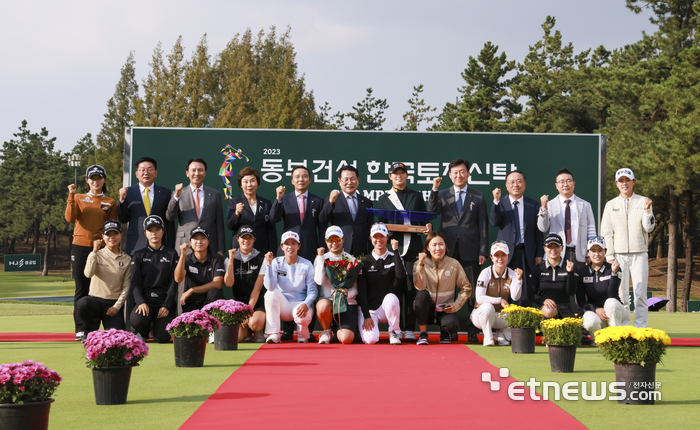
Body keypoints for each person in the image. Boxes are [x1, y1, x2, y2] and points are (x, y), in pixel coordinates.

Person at [429, 158, 488, 342]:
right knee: (448, 291)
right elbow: (432, 211)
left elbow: (483, 226)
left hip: (471, 250)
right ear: (450, 175)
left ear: (468, 173)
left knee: (470, 291)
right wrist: (434, 190)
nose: (459, 175)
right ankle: (448, 330)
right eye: (455, 172)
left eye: (462, 172)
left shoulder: (478, 196)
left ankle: (473, 330)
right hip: (447, 250)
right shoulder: (443, 194)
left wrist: (483, 250)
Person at [375, 162, 432, 340]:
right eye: (395, 174)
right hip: (394, 248)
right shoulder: (384, 198)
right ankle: (395, 328)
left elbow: (423, 220)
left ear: (407, 175)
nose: (399, 176)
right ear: (390, 177)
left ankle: (409, 328)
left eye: (402, 173)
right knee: (395, 288)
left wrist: (427, 226)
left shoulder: (416, 195)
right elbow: (380, 225)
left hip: (413, 246)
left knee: (410, 288)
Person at [269, 165, 324, 340]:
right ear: (292, 180)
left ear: (310, 179)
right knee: (285, 286)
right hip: (288, 249)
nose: (301, 179)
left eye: (304, 176)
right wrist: (277, 199)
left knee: (311, 286)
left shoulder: (318, 201)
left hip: (310, 247)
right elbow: (273, 218)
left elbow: (321, 227)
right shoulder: (284, 199)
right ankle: (286, 330)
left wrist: (321, 248)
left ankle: (308, 329)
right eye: (297, 177)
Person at [65, 164, 118, 340]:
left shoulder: (110, 201)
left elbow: (112, 227)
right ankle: (80, 327)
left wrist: (105, 244)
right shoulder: (79, 197)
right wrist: (71, 195)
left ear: (104, 180)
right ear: (87, 181)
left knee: (100, 288)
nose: (96, 182)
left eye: (99, 178)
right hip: (80, 246)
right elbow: (70, 218)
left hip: (102, 249)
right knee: (81, 288)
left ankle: (95, 326)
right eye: (92, 179)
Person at [600, 168, 655, 328]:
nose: (625, 183)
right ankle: (623, 328)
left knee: (640, 294)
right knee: (621, 294)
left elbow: (649, 227)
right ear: (616, 184)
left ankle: (640, 328)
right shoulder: (611, 205)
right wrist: (609, 255)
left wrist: (647, 210)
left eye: (627, 180)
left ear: (633, 182)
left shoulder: (643, 201)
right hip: (618, 255)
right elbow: (606, 233)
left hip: (640, 254)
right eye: (621, 181)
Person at [489, 170, 543, 305]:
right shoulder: (500, 203)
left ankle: (524, 323)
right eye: (512, 182)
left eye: (519, 181)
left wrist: (539, 254)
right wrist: (496, 201)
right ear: (506, 186)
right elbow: (494, 222)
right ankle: (504, 323)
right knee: (506, 289)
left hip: (527, 252)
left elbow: (538, 231)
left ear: (524, 185)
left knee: (526, 290)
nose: (515, 185)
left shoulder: (533, 204)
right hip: (506, 254)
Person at [413, 232, 472, 345]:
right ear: (427, 247)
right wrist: (420, 266)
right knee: (422, 295)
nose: (438, 248)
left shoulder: (454, 264)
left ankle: (445, 332)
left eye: (441, 244)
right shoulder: (419, 263)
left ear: (446, 246)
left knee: (452, 324)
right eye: (434, 245)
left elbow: (466, 288)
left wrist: (456, 305)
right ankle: (423, 333)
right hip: (427, 311)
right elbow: (420, 287)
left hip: (445, 309)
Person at [76, 220, 131, 340]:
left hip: (113, 305)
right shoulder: (96, 254)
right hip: (95, 302)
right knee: (83, 303)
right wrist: (94, 251)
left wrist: (117, 306)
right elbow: (88, 274)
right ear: (103, 237)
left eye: (115, 234)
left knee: (118, 338)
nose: (112, 237)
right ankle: (89, 331)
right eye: (108, 234)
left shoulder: (127, 259)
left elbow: (127, 286)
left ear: (121, 235)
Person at [129, 215, 178, 343]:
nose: (154, 233)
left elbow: (174, 283)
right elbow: (135, 282)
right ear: (145, 233)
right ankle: (142, 330)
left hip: (163, 303)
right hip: (146, 301)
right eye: (150, 230)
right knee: (137, 320)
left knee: (162, 337)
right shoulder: (139, 255)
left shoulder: (172, 254)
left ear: (163, 231)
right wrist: (140, 302)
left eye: (157, 229)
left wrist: (167, 305)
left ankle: (154, 328)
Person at [263, 231, 318, 344]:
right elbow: (270, 286)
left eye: (294, 243)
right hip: (284, 307)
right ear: (282, 247)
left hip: (301, 304)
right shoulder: (275, 262)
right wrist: (268, 265)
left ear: (299, 246)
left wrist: (306, 304)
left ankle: (303, 336)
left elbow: (313, 291)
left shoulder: (307, 264)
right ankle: (274, 334)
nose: (290, 247)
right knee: (270, 293)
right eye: (287, 244)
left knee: (302, 320)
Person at [537, 168, 596, 269]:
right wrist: (543, 208)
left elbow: (591, 232)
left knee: (579, 284)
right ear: (556, 185)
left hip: (579, 255)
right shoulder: (549, 205)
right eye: (561, 182)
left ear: (574, 183)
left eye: (569, 181)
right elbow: (543, 228)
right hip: (556, 254)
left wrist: (590, 253)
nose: (565, 184)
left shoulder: (585, 205)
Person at [357, 223, 405, 345]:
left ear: (387, 237)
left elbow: (401, 277)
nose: (379, 240)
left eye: (382, 236)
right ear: (370, 238)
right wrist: (366, 315)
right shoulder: (364, 260)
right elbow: (361, 290)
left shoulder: (395, 256)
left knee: (391, 298)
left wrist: (395, 250)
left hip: (386, 308)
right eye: (375, 236)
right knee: (371, 340)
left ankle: (393, 332)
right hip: (370, 311)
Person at [166, 158, 225, 256]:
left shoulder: (215, 194)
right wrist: (176, 196)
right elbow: (170, 217)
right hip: (185, 245)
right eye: (193, 170)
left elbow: (219, 224)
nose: (197, 173)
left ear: (205, 173)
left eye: (200, 170)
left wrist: (221, 250)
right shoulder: (179, 193)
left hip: (209, 246)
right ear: (187, 173)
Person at [313, 226, 361, 344]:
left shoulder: (351, 259)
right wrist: (320, 257)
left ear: (343, 239)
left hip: (347, 303)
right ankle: (327, 331)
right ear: (325, 242)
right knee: (322, 305)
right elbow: (319, 281)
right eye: (330, 240)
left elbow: (355, 288)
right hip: (329, 303)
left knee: (346, 339)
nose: (334, 243)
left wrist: (346, 294)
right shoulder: (321, 259)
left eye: (337, 239)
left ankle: (341, 329)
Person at [117, 157, 174, 255]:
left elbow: (169, 222)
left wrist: (170, 247)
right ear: (136, 174)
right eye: (142, 170)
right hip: (135, 245)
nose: (146, 173)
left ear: (155, 173)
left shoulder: (165, 192)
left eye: (150, 169)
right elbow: (123, 219)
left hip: (159, 245)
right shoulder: (128, 192)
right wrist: (121, 200)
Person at [471, 241, 523, 346]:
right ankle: (488, 337)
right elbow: (479, 298)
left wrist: (518, 281)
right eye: (496, 255)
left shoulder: (512, 274)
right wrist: (500, 300)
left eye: (503, 255)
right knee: (487, 307)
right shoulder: (485, 273)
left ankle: (501, 335)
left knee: (518, 316)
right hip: (480, 316)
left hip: (500, 316)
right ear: (491, 257)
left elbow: (515, 297)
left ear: (508, 256)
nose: (500, 258)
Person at [577, 236, 625, 343]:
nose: (597, 254)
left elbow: (612, 294)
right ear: (588, 252)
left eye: (600, 250)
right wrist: (596, 309)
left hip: (615, 312)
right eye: (593, 251)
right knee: (589, 322)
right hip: (595, 312)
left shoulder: (614, 268)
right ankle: (599, 342)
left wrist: (613, 273)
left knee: (611, 302)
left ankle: (615, 340)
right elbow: (581, 301)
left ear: (605, 252)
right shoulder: (582, 272)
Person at [223, 225, 267, 343]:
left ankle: (258, 330)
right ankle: (246, 331)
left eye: (249, 238)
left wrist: (248, 311)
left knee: (255, 323)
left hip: (257, 303)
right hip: (239, 305)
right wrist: (231, 260)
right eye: (243, 238)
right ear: (237, 239)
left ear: (254, 240)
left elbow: (257, 289)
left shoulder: (261, 259)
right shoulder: (229, 259)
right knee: (237, 338)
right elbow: (228, 283)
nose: (246, 241)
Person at [319, 165, 374, 256]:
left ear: (358, 180)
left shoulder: (366, 202)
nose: (349, 182)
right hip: (339, 249)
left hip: (360, 250)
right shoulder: (333, 200)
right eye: (346, 179)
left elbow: (370, 228)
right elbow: (322, 219)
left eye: (352, 179)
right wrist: (330, 202)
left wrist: (371, 251)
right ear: (339, 181)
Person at [173, 227, 225, 315]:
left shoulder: (216, 258)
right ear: (190, 242)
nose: (199, 242)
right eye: (195, 239)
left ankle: (215, 326)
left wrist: (192, 290)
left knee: (214, 292)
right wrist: (182, 256)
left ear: (208, 241)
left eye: (203, 238)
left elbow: (217, 284)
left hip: (210, 302)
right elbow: (178, 279)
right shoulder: (187, 259)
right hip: (192, 303)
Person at [226, 167, 277, 255]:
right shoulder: (234, 202)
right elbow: (230, 226)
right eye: (245, 182)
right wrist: (236, 214)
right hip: (240, 250)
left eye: (252, 181)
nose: (249, 185)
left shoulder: (266, 203)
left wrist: (272, 252)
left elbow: (271, 230)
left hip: (262, 250)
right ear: (241, 185)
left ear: (257, 183)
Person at [528, 234, 579, 319]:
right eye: (550, 246)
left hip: (565, 308)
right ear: (544, 248)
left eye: (556, 246)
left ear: (562, 248)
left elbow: (571, 292)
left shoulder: (571, 267)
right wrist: (543, 300)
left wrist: (570, 272)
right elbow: (531, 294)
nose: (553, 250)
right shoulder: (537, 268)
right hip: (545, 308)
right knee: (549, 310)